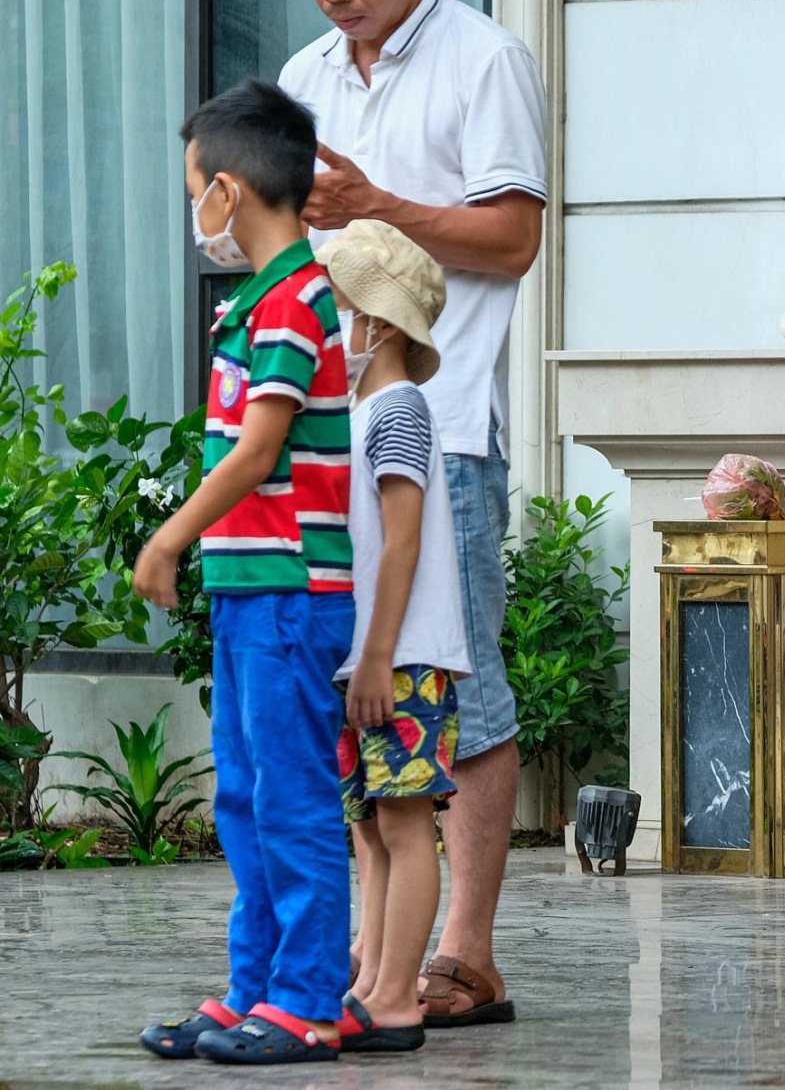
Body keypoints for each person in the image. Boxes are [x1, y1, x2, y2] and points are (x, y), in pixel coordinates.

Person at [280, 0, 547, 1025]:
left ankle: (466, 954)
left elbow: (512, 239)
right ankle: (376, 954)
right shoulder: (303, 74)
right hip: (327, 432)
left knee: (460, 683)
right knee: (357, 682)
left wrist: (377, 205)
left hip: (442, 421)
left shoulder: (485, 58)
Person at [134, 80, 354, 1064]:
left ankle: (308, 998)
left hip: (290, 595)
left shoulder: (296, 304)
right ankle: (255, 987)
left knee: (293, 794)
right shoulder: (256, 302)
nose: (196, 216)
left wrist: (169, 534)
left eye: (196, 191)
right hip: (249, 591)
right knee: (247, 795)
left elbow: (258, 449)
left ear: (228, 189)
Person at [317, 220, 470, 1055]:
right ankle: (373, 980)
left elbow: (401, 541)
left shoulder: (400, 409)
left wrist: (376, 654)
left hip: (400, 658)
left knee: (405, 827)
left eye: (339, 305)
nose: (330, 323)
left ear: (375, 323)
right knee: (373, 829)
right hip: (372, 656)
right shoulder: (367, 408)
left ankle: (396, 997)